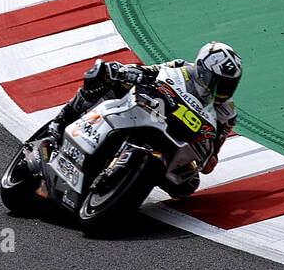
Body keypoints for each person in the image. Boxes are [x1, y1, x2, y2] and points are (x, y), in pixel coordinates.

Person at [47, 41, 242, 197]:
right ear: (202, 70)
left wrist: (206, 153)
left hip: (177, 140)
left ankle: (130, 182)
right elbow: (152, 72)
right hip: (151, 113)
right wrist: (125, 72)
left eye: (227, 86)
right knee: (105, 76)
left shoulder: (227, 113)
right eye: (217, 82)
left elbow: (211, 161)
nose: (221, 91)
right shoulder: (181, 68)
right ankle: (62, 120)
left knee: (189, 183)